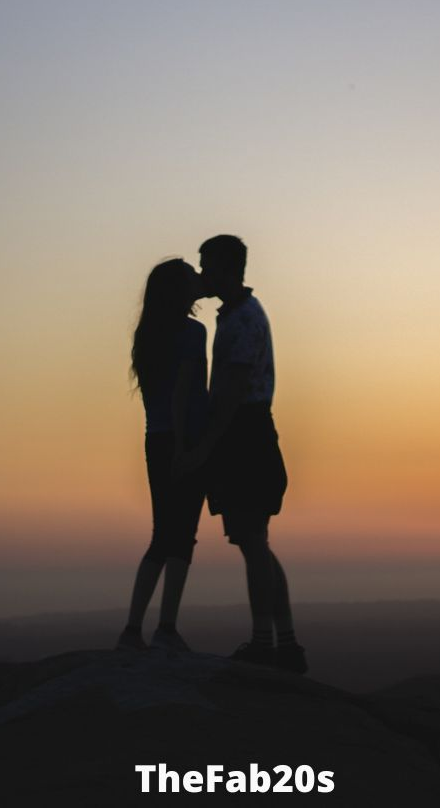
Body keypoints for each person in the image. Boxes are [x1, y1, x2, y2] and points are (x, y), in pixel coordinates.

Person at [180, 234, 307, 673]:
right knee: (255, 542)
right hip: (247, 434)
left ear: (226, 268)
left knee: (253, 541)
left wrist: (205, 448)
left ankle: (265, 644)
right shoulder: (237, 315)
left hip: (245, 436)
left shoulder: (242, 321)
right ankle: (284, 644)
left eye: (206, 266)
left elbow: (232, 392)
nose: (201, 274)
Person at [118, 257, 208, 653]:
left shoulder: (148, 335)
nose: (198, 279)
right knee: (181, 536)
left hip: (155, 440)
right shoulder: (192, 333)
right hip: (182, 439)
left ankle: (134, 630)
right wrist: (187, 447)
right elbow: (184, 392)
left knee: (163, 534)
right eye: (190, 276)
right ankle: (165, 629)